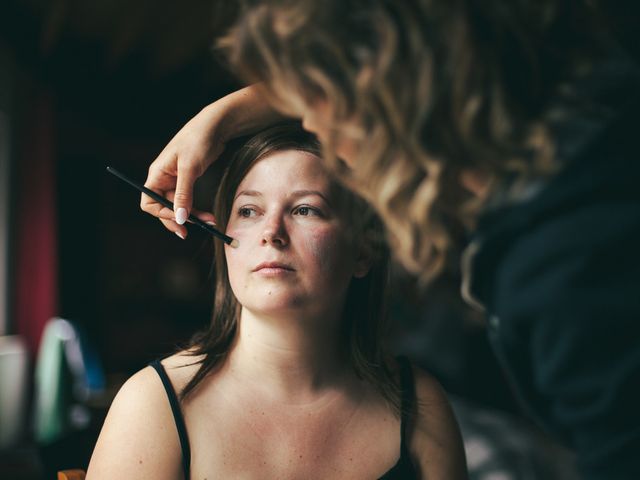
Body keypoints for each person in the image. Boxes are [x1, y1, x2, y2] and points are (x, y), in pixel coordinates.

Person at [139, 2, 640, 478]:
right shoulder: (591, 115)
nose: (310, 121)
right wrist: (227, 115)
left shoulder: (561, 271)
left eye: (306, 208)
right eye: (248, 210)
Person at [87, 123, 467, 479]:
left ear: (362, 252)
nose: (271, 233)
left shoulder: (421, 407)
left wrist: (218, 119)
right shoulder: (151, 406)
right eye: (249, 211)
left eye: (305, 209)